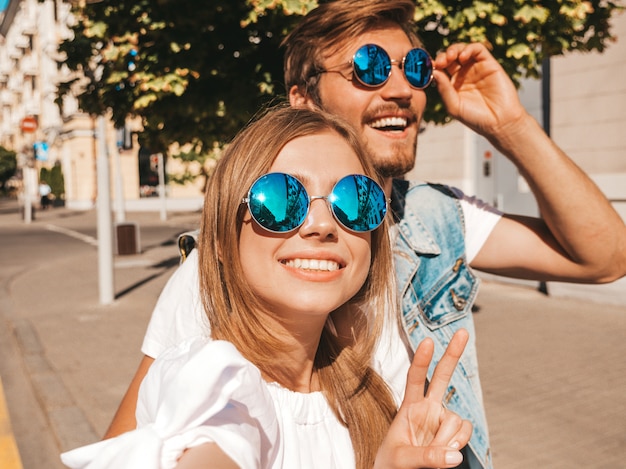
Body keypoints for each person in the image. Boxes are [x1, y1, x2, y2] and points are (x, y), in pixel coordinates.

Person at [104, 1, 626, 468]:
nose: (400, 89)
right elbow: (142, 443)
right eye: (369, 68)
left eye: (414, 69)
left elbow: (605, 258)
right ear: (302, 101)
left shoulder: (433, 215)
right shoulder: (230, 263)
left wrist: (509, 124)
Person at [62, 106, 473, 469]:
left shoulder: (368, 392)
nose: (322, 225)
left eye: (355, 200)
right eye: (280, 199)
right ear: (223, 241)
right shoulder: (217, 384)